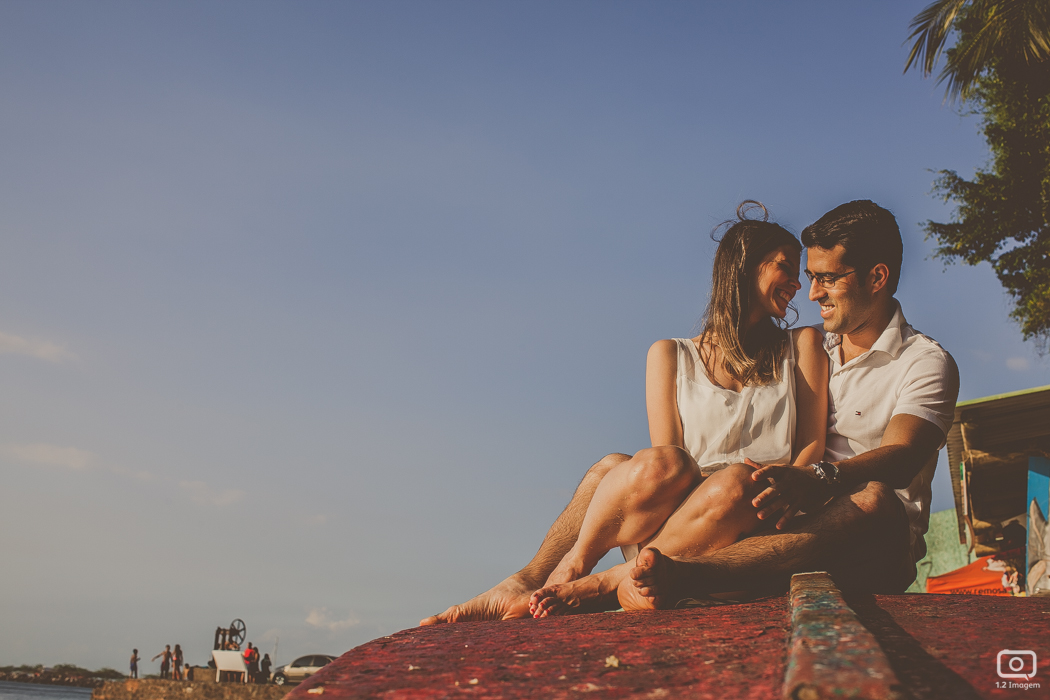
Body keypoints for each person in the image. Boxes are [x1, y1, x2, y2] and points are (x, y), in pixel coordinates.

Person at [422, 201, 829, 623]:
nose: (799, 285)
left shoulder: (801, 347)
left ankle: (601, 582)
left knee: (737, 482)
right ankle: (551, 573)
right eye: (786, 267)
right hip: (681, 522)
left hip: (753, 517)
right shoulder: (670, 354)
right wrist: (710, 479)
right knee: (623, 465)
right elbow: (671, 464)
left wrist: (786, 488)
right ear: (745, 267)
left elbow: (811, 446)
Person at [626, 200, 959, 608]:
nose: (813, 291)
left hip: (870, 541)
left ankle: (668, 578)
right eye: (810, 277)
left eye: (828, 278)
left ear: (877, 277)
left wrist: (818, 478)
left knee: (873, 498)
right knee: (614, 468)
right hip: (787, 528)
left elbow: (904, 455)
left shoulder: (924, 361)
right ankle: (558, 575)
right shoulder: (806, 346)